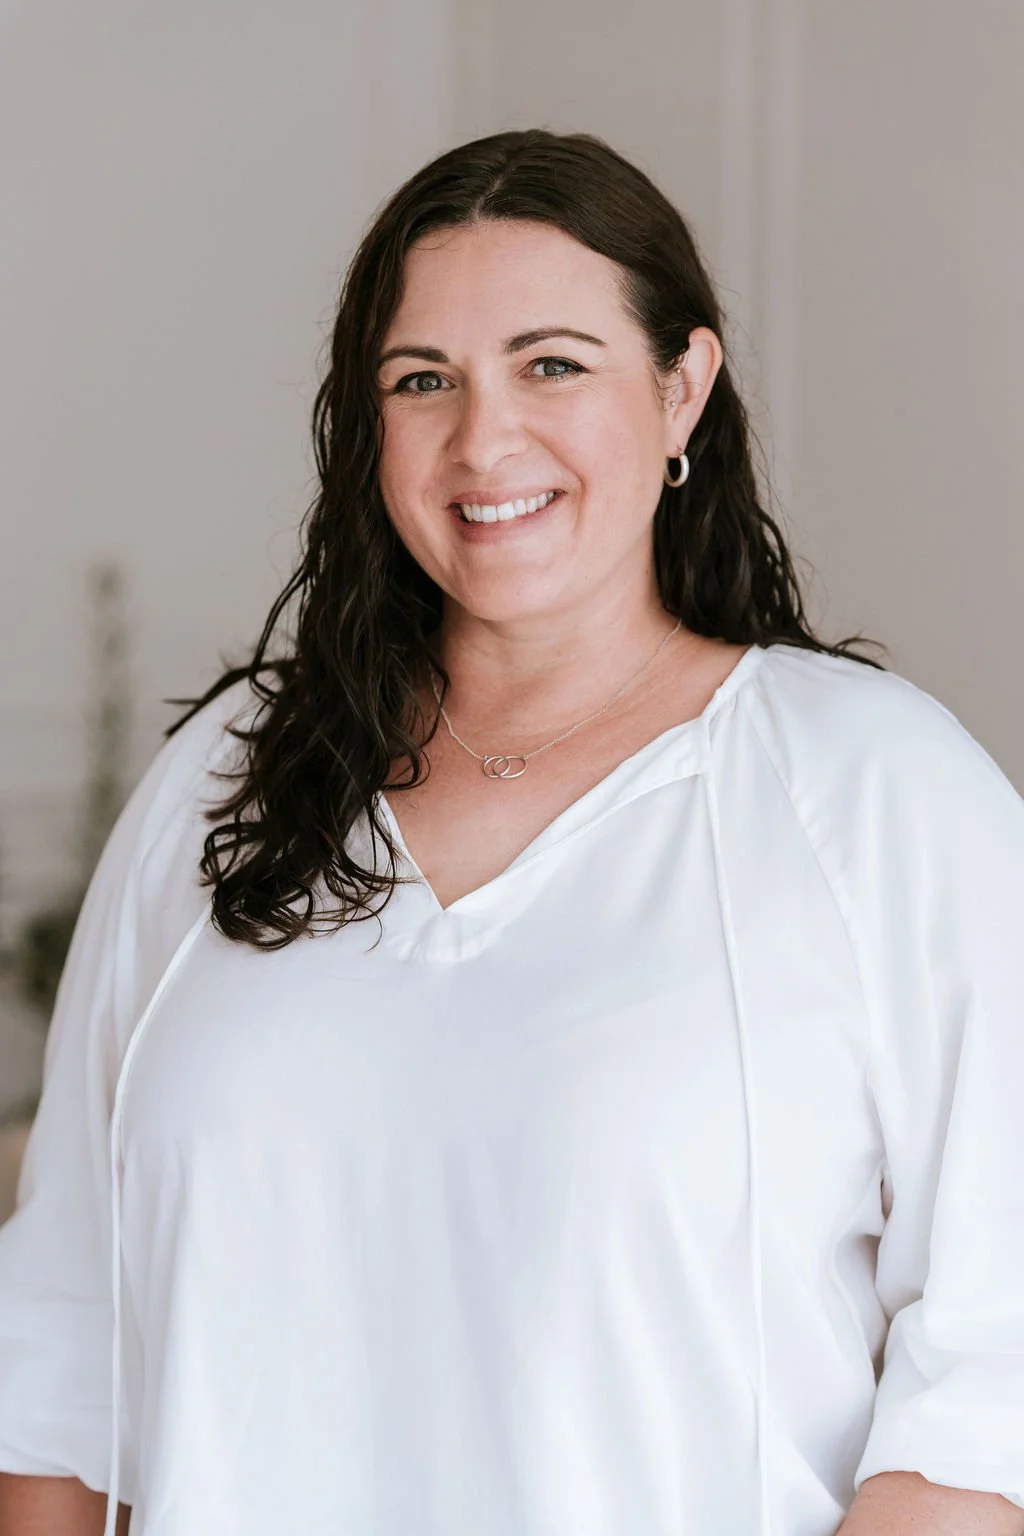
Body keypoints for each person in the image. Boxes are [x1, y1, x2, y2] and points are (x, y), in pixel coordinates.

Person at [0, 128, 1022, 1536]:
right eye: (424, 381)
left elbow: (990, 1394)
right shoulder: (221, 787)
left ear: (682, 393)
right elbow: (57, 1358)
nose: (485, 440)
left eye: (553, 363)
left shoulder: (877, 793)